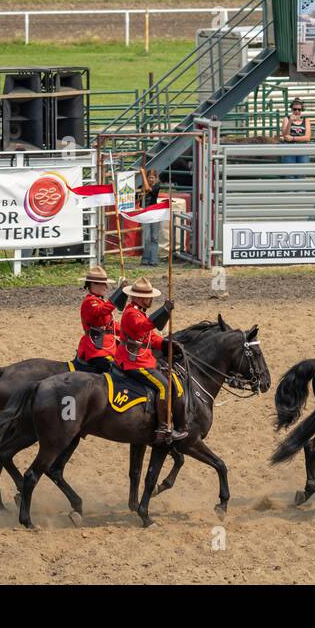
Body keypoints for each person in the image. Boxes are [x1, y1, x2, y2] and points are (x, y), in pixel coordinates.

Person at [115, 277, 186, 444]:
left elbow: (149, 336)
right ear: (139, 298)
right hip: (133, 361)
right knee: (164, 386)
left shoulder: (138, 311)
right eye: (149, 297)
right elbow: (143, 326)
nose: (151, 300)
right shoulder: (132, 313)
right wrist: (164, 310)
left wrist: (164, 343)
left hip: (142, 358)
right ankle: (163, 428)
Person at [74, 265, 125, 372]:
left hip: (106, 344)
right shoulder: (89, 302)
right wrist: (119, 293)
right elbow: (101, 311)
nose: (106, 287)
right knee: (115, 371)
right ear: (93, 284)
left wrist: (127, 334)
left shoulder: (99, 301)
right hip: (96, 347)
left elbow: (110, 325)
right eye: (103, 284)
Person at [138, 166, 162, 266]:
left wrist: (143, 173)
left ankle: (153, 260)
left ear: (156, 179)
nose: (151, 179)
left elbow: (148, 189)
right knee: (147, 237)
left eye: (153, 177)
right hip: (146, 213)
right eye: (149, 177)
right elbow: (138, 200)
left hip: (155, 213)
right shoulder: (140, 188)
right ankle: (145, 259)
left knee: (154, 237)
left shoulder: (157, 186)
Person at [278, 98, 311, 164]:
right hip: (289, 147)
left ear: (301, 110)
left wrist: (293, 138)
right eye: (295, 109)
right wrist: (290, 121)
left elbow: (307, 138)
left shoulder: (306, 120)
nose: (297, 111)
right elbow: (285, 136)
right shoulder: (286, 119)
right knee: (289, 172)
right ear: (292, 109)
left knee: (302, 171)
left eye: (299, 109)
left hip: (302, 148)